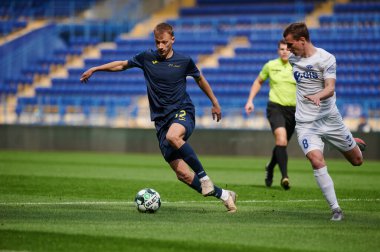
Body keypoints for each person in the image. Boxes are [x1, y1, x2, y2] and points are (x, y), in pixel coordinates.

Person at [80, 23, 237, 213]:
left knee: (174, 137)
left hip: (182, 111)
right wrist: (96, 68)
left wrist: (215, 102)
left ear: (172, 40)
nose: (160, 46)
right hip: (161, 121)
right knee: (183, 174)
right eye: (157, 42)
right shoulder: (147, 57)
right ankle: (225, 195)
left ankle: (205, 178)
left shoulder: (184, 61)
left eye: (164, 42)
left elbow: (200, 79)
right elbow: (122, 64)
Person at [283, 22, 366, 221]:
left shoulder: (326, 58)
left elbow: (330, 88)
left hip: (330, 119)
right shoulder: (293, 59)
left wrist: (318, 95)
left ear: (302, 41)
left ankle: (347, 141)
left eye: (290, 44)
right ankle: (336, 209)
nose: (287, 49)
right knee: (315, 159)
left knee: (357, 161)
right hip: (305, 123)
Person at [245, 39, 296, 190]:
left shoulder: (298, 66)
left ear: (292, 50)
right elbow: (258, 81)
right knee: (281, 139)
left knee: (282, 144)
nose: (284, 51)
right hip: (275, 107)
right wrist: (250, 100)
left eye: (287, 49)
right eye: (282, 49)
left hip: (294, 111)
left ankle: (270, 167)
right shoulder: (271, 65)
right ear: (278, 50)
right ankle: (285, 177)